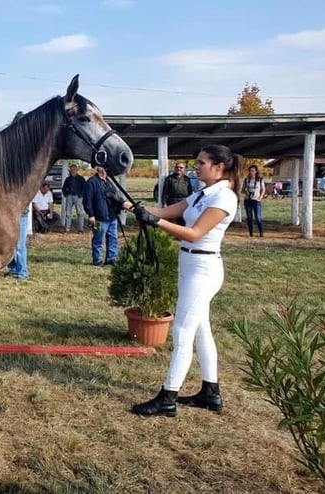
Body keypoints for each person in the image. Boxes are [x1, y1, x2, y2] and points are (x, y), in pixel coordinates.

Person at [128, 144, 241, 417]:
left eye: (202, 163)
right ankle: (210, 393)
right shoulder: (202, 193)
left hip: (203, 267)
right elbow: (166, 212)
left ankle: (168, 398)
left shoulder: (224, 198)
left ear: (219, 167)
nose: (196, 166)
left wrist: (155, 223)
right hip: (189, 264)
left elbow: (194, 233)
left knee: (181, 332)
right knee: (201, 329)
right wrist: (127, 205)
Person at [82, 165, 124, 266]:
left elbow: (115, 196)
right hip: (99, 218)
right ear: (102, 171)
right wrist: (91, 215)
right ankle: (97, 260)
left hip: (112, 216)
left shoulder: (109, 182)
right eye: (107, 170)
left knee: (113, 238)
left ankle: (111, 259)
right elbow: (87, 201)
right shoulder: (91, 182)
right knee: (98, 239)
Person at [6, 205, 30, 280]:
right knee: (8, 244)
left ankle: (22, 272)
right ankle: (13, 269)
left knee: (20, 246)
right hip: (8, 214)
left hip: (21, 215)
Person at [241, 165, 265, 237]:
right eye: (250, 170)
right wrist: (246, 192)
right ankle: (251, 233)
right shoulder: (246, 180)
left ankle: (261, 233)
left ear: (256, 171)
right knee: (249, 218)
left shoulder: (260, 180)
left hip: (256, 200)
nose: (251, 172)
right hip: (248, 200)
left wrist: (260, 197)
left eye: (253, 171)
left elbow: (263, 189)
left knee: (258, 218)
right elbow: (242, 190)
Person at [61, 163, 86, 233]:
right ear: (70, 170)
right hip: (69, 196)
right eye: (72, 170)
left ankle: (80, 229)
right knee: (68, 213)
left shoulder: (81, 179)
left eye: (74, 169)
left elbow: (84, 188)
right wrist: (66, 194)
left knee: (80, 213)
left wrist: (81, 195)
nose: (73, 171)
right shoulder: (68, 179)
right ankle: (67, 229)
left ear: (77, 170)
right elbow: (64, 188)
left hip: (78, 197)